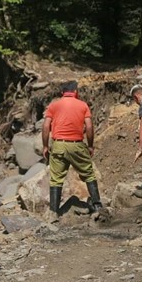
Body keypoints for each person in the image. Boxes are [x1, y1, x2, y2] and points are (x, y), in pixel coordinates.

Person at [42, 80, 103, 216]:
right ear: (75, 91)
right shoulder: (83, 105)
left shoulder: (54, 105)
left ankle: (53, 213)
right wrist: (91, 145)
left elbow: (46, 126)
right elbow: (89, 126)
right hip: (76, 144)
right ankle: (98, 206)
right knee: (88, 174)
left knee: (56, 179)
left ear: (62, 93)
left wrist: (45, 146)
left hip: (58, 145)